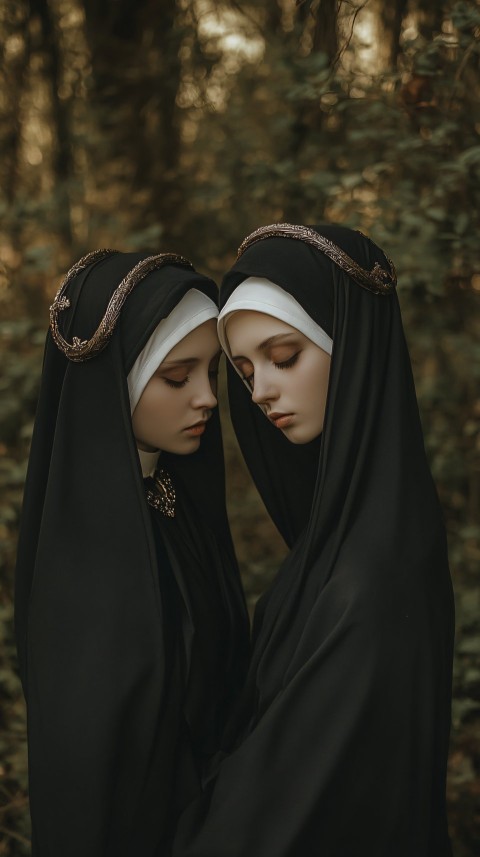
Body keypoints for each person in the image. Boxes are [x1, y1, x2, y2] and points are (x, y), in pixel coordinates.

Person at [173, 224, 454, 857]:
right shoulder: (342, 537)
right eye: (244, 370)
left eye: (284, 356)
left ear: (350, 346)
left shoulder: (373, 576)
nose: (261, 391)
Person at [14, 250, 249, 857]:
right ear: (118, 376)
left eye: (212, 375)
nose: (206, 400)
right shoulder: (81, 560)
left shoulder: (176, 503)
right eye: (177, 377)